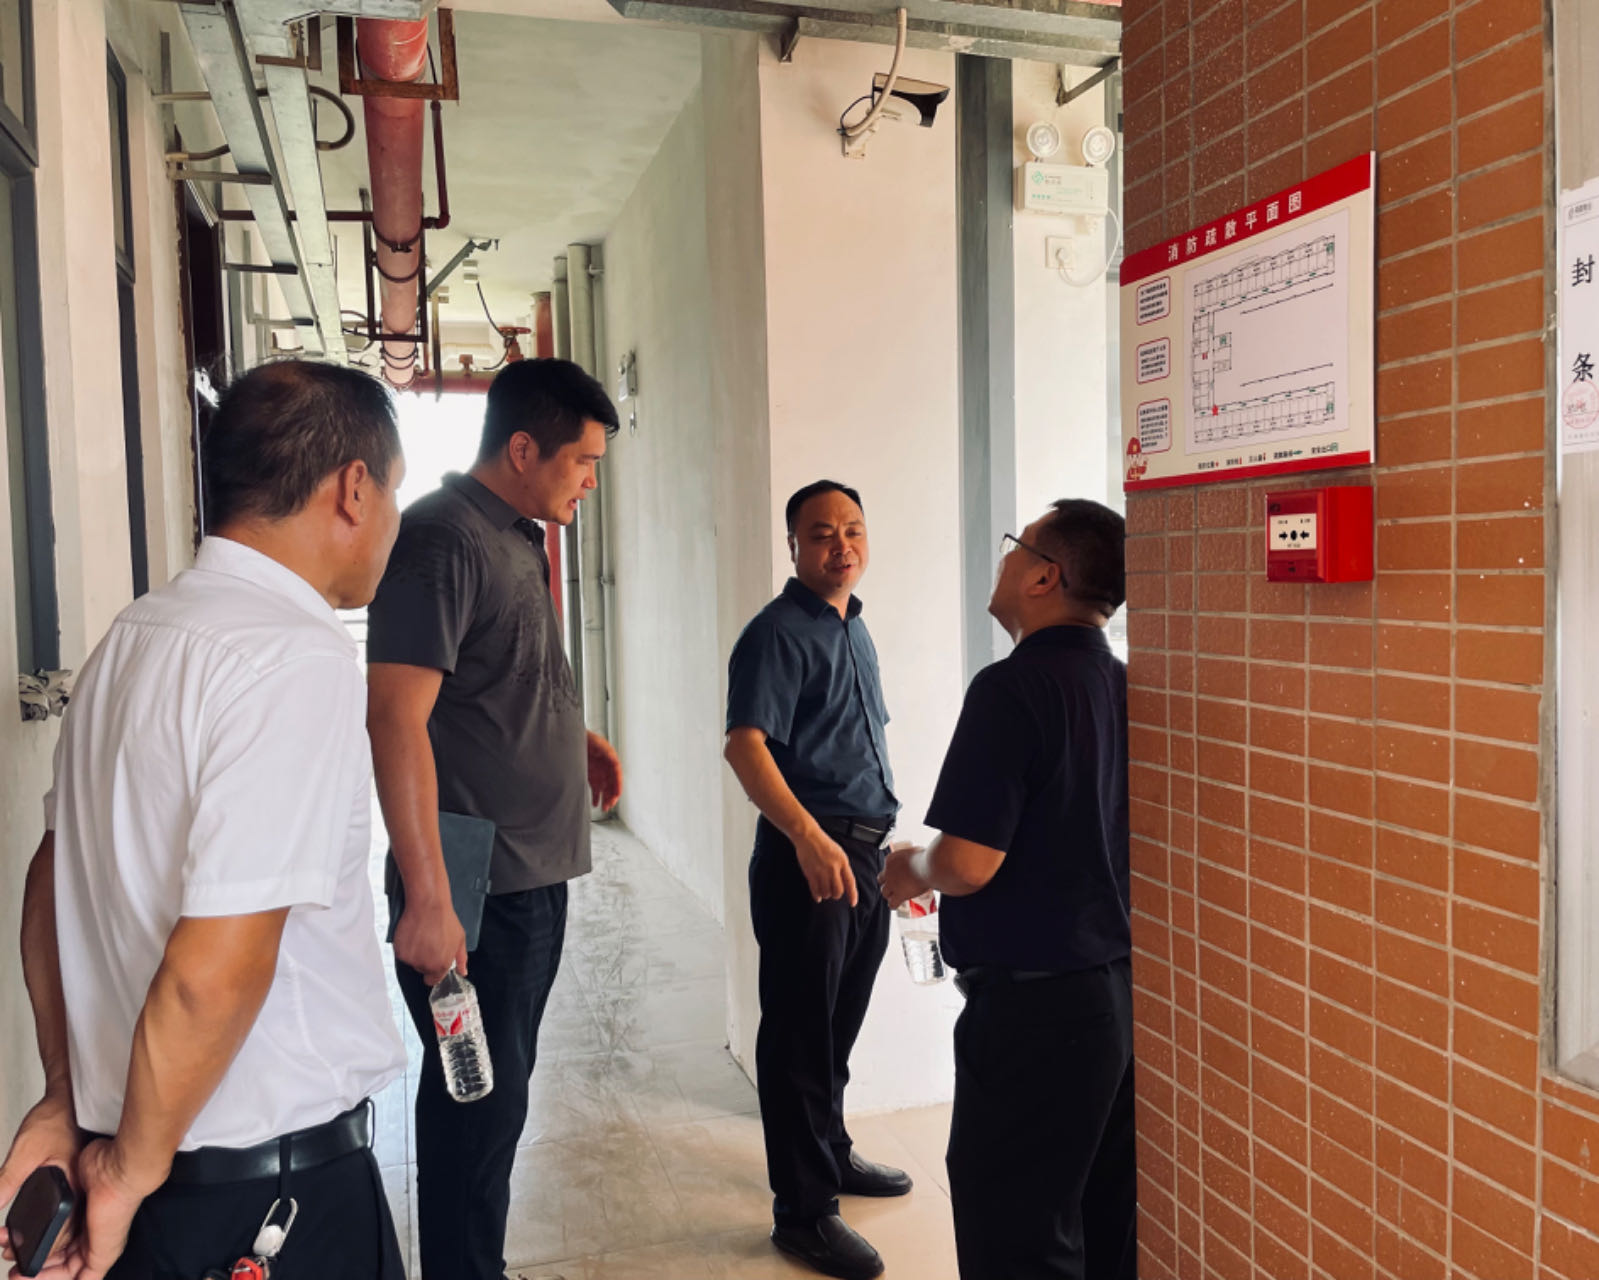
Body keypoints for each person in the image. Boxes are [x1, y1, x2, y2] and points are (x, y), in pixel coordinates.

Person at [0, 361, 410, 1279]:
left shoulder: (132, 637)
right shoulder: (292, 660)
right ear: (353, 489)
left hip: (145, 1176)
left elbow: (49, 885)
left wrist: (71, 1099)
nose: (392, 520)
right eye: (393, 490)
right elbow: (211, 973)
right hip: (263, 1200)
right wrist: (122, 1171)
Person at [366, 357, 624, 1280]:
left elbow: (485, 677)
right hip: (476, 888)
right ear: (522, 449)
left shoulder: (515, 535)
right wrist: (429, 898)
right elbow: (394, 716)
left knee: (498, 1100)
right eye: (582, 462)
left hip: (529, 876)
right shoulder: (442, 540)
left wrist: (571, 736)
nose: (589, 481)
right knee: (473, 1107)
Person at [880, 499, 1136, 1280]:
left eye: (1012, 547)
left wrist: (909, 870)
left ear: (1042, 576)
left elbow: (967, 864)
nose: (1003, 560)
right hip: (1114, 998)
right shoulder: (1120, 682)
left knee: (1016, 1237)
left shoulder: (1012, 687)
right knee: (1098, 1227)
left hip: (1035, 1013)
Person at [724, 480, 912, 1280]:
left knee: (837, 1024)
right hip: (810, 859)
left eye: (853, 530)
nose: (842, 545)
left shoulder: (853, 628)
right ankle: (802, 1214)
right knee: (800, 1037)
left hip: (864, 856)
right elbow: (744, 747)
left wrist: (887, 849)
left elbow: (856, 744)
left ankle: (829, 1152)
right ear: (794, 546)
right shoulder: (774, 633)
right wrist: (807, 837)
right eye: (823, 533)